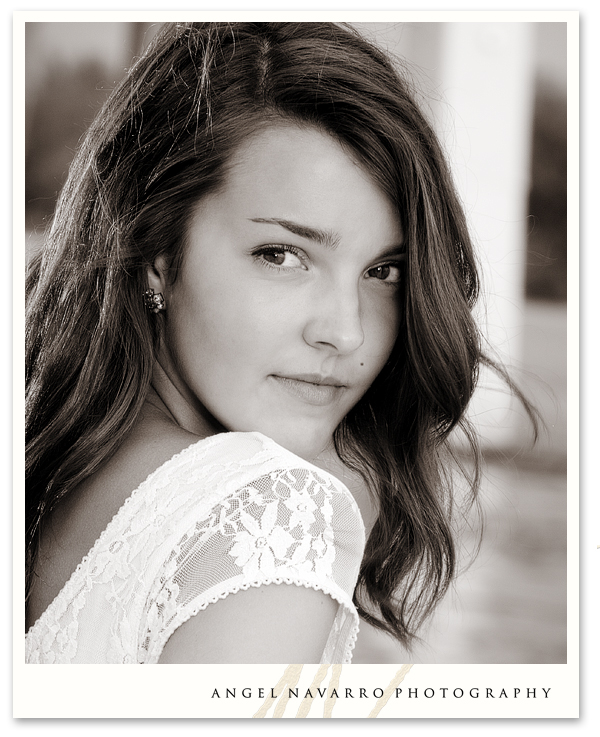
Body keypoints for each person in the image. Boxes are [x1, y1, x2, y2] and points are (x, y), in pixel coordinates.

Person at [24, 22, 533, 664]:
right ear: (156, 253)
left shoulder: (47, 464)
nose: (346, 332)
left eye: (384, 272)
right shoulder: (271, 521)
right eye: (282, 254)